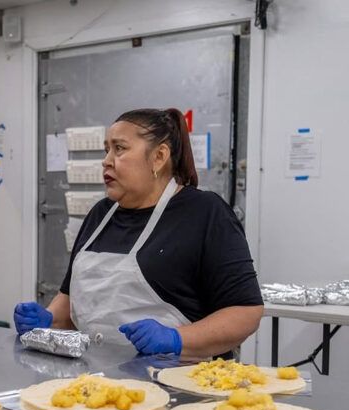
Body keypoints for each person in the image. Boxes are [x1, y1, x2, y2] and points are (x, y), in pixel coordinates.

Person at [14, 108, 262, 358]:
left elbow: (245, 313)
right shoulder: (101, 215)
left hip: (183, 382)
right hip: (98, 382)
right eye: (106, 149)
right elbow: (73, 301)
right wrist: (49, 320)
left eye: (119, 148)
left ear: (159, 157)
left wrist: (176, 339)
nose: (107, 160)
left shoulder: (205, 213)